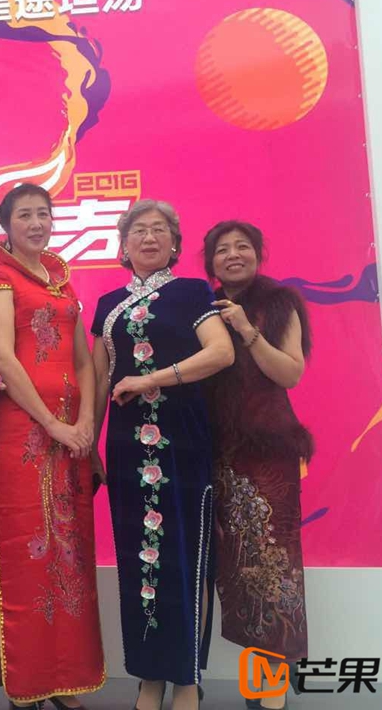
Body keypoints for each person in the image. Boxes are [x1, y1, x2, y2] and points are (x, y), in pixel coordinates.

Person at [90, 200, 233, 710]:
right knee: (139, 561)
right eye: (138, 231)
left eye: (159, 231)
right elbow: (98, 380)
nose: (148, 238)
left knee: (186, 557)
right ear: (124, 244)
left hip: (182, 441)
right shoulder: (108, 303)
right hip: (126, 445)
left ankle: (187, 679)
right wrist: (90, 442)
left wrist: (151, 378)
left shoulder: (192, 292)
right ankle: (150, 677)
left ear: (174, 244)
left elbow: (220, 352)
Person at [0, 184, 105, 710]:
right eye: (25, 215)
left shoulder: (62, 281)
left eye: (44, 214)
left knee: (70, 553)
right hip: (23, 432)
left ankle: (66, 677)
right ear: (7, 226)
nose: (36, 223)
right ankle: (30, 681)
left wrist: (85, 422)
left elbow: (84, 361)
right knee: (27, 550)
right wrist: (53, 424)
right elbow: (3, 357)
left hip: (71, 434)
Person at [203, 221, 312, 710]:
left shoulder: (279, 303)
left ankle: (271, 687)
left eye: (241, 246)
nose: (232, 255)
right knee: (239, 570)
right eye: (222, 249)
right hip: (220, 456)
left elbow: (290, 372)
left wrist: (248, 331)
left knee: (274, 566)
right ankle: (264, 676)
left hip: (268, 455)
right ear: (210, 262)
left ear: (258, 253)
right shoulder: (203, 308)